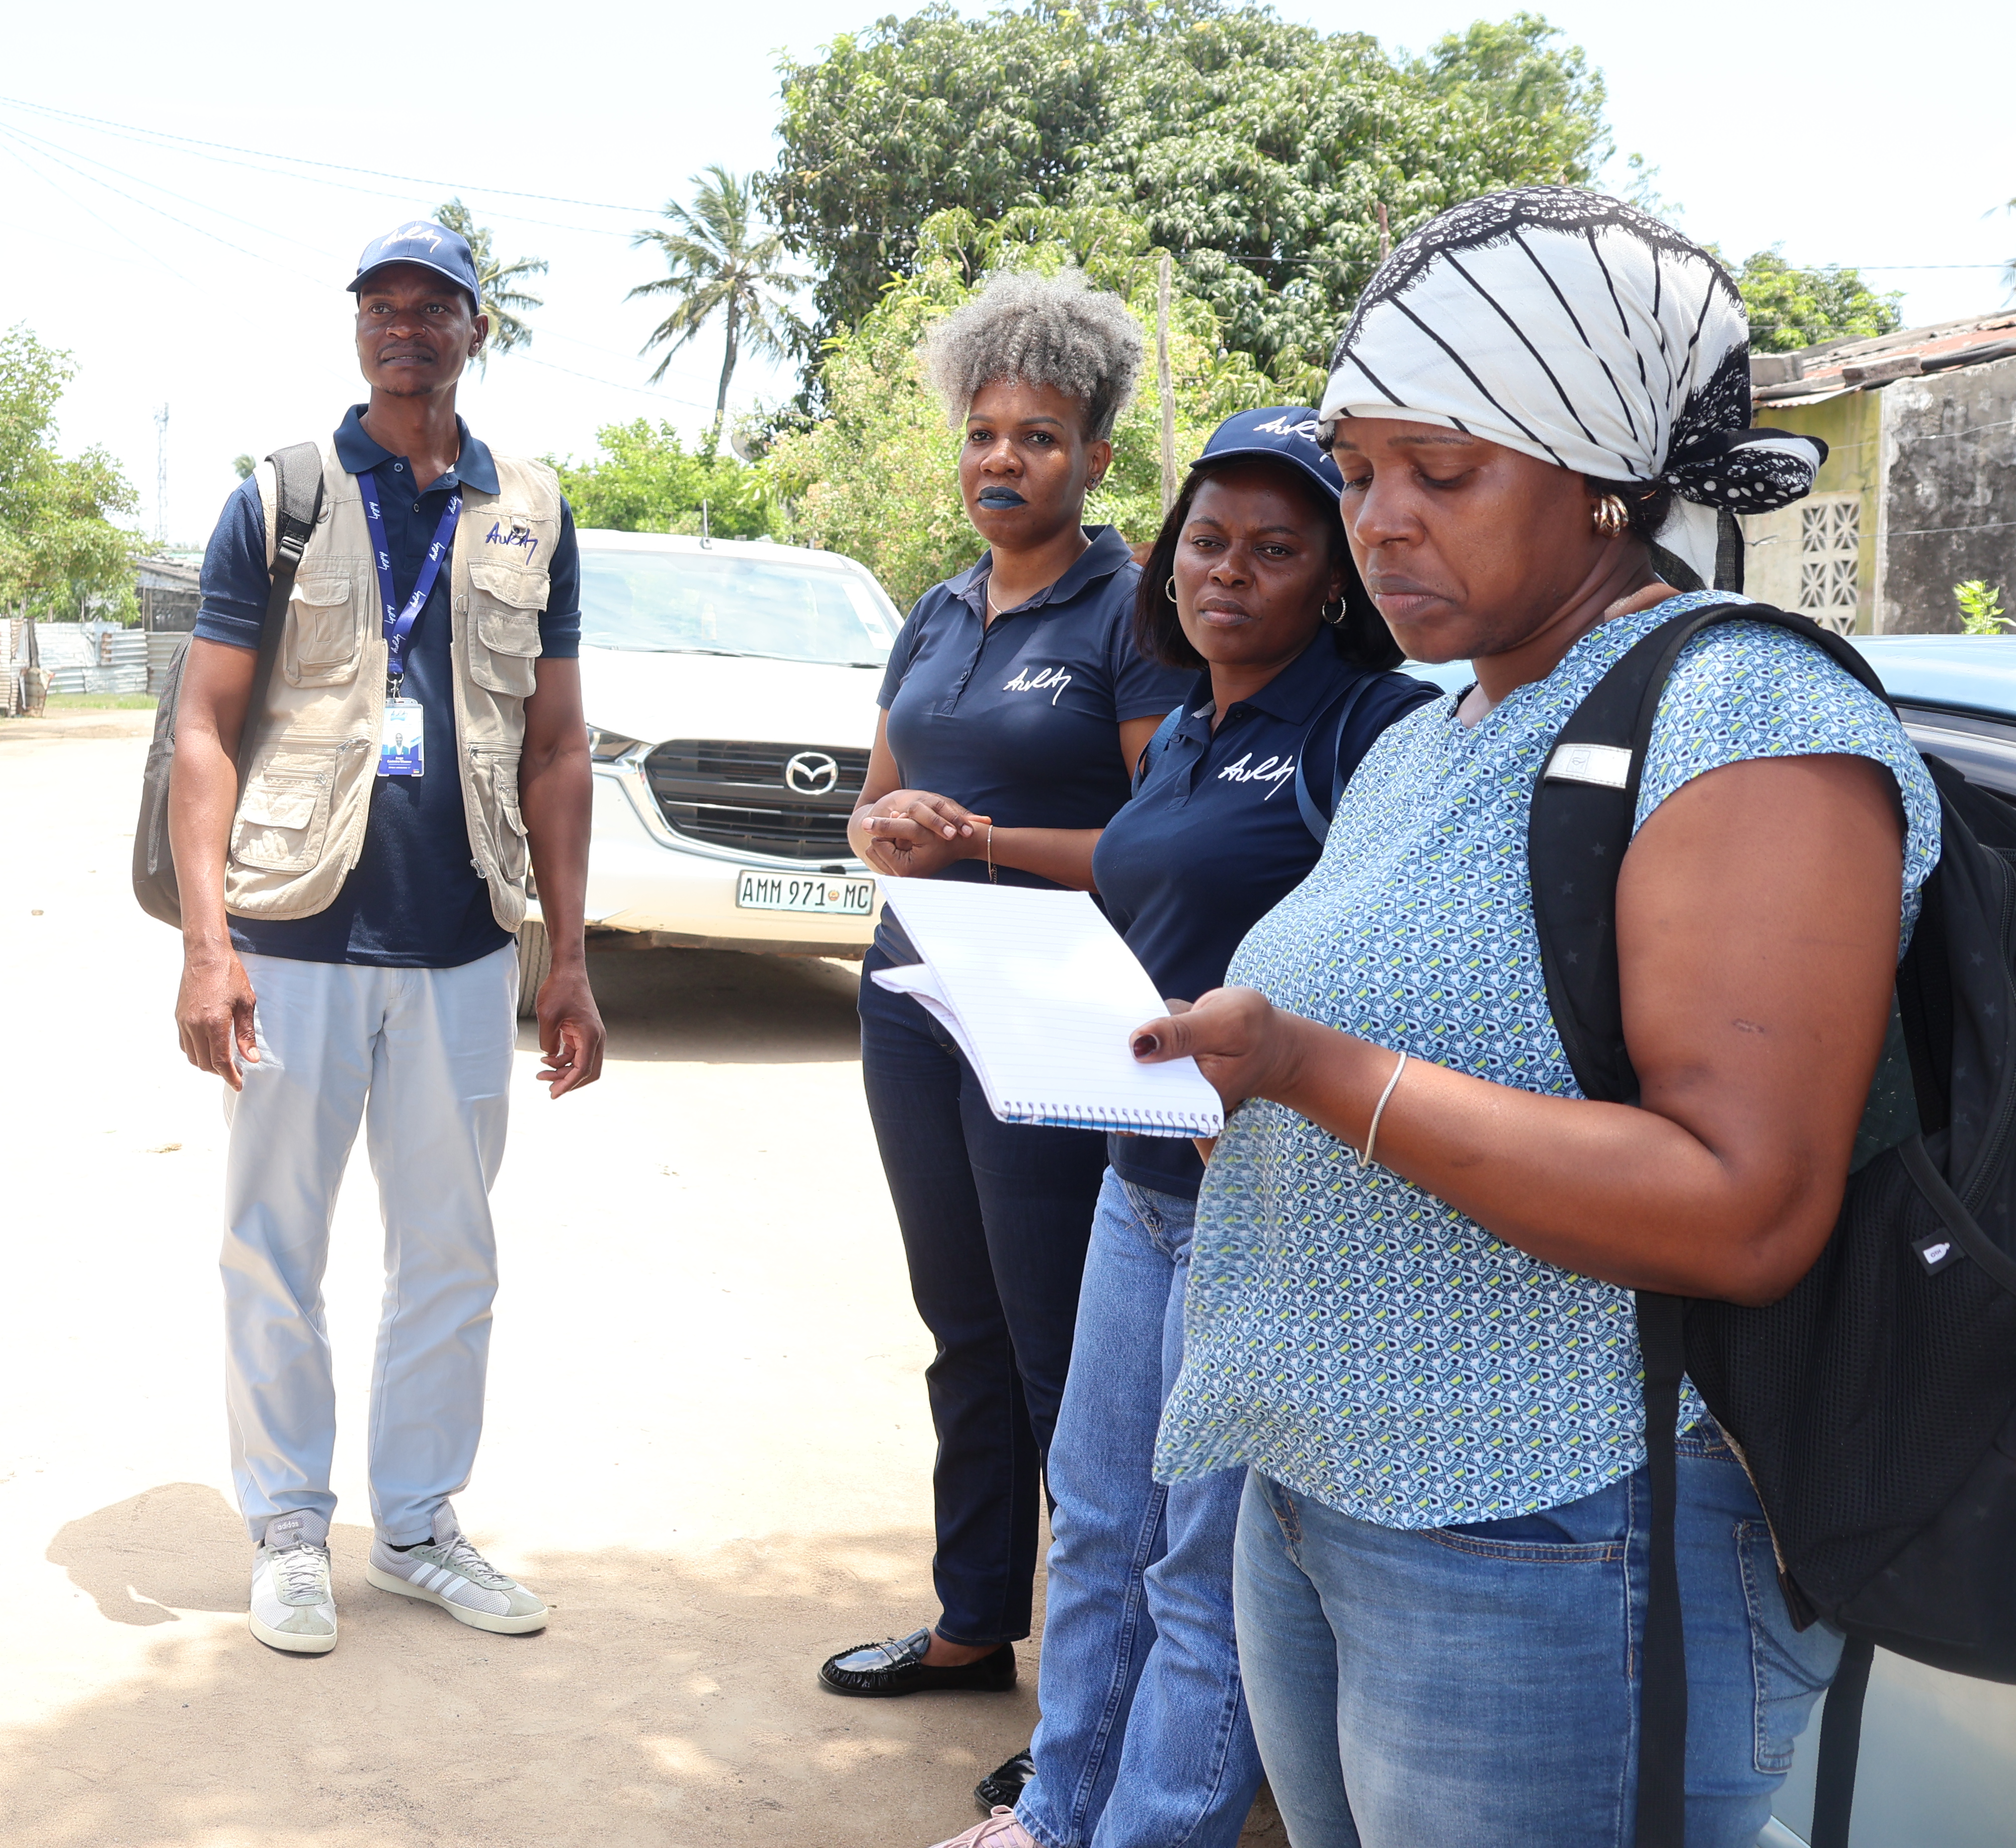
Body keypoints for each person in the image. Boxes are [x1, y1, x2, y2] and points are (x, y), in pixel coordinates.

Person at [1134, 188, 1933, 1846]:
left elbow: (1745, 1200)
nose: (1383, 524)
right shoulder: (1431, 732)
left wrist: (1315, 1069)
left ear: (1598, 483)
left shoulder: (1745, 712)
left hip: (1563, 1524)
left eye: (1445, 471)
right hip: (1320, 1490)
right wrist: (1242, 1082)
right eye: (1359, 476)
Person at [937, 412, 1435, 1847]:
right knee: (1098, 1528)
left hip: (1269, 1204)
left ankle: (1148, 1831)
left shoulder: (1367, 730)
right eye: (1208, 542)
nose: (1231, 573)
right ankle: (1057, 1808)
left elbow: (1387, 958)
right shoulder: (1191, 728)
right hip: (1137, 1182)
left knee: (1205, 1573)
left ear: (1334, 577)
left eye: (1277, 550)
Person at [168, 220, 603, 1657]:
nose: (404, 326)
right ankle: (291, 1526)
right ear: (356, 327)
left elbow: (555, 749)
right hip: (295, 933)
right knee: (272, 1248)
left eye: (434, 306)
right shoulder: (283, 496)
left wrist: (572, 966)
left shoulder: (530, 511)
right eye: (380, 305)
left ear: (480, 329)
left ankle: (416, 1526)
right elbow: (204, 727)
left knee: (452, 1254)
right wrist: (206, 946)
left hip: (465, 944)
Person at [825, 270, 1197, 1702]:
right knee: (961, 1326)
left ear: (1097, 457)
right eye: (985, 435)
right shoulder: (935, 613)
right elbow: (874, 807)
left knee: (1066, 1361)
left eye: (1039, 437)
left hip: (1058, 1018)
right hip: (916, 998)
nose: (1004, 461)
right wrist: (893, 838)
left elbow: (1165, 846)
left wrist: (979, 842)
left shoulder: (1132, 614)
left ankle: (1095, 1711)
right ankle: (975, 1622)